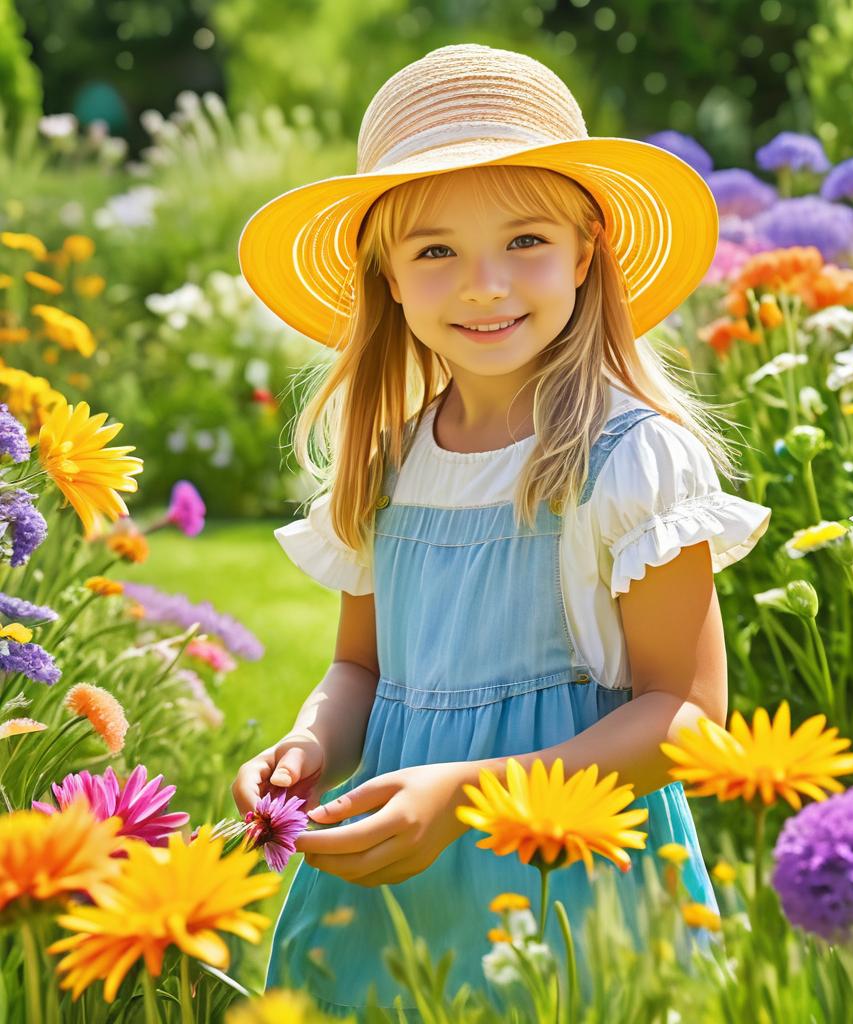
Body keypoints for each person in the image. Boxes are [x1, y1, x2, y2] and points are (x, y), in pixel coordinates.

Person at [232, 42, 772, 1021]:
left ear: (586, 251)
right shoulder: (386, 461)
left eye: (523, 241)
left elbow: (688, 712)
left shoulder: (628, 459)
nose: (483, 285)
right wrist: (310, 745)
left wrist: (469, 791)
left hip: (569, 867)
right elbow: (360, 669)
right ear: (387, 278)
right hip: (398, 878)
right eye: (435, 250)